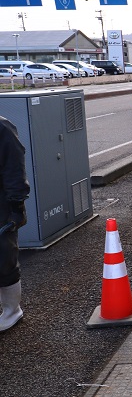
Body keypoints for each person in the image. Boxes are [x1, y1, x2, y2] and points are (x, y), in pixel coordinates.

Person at [0, 116, 30, 332]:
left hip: (1, 207)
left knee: (3, 258)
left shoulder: (2, 128)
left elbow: (14, 170)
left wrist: (16, 207)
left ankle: (12, 311)